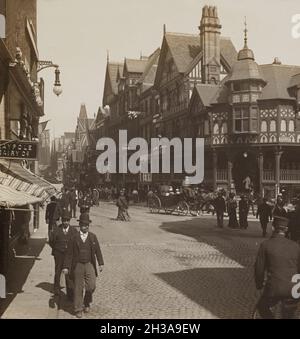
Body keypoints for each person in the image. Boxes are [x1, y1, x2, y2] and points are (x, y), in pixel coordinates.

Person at [254, 216, 300, 319]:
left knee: (262, 307)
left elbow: (259, 269)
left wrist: (259, 285)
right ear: (286, 229)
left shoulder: (266, 245)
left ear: (273, 228)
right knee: (289, 314)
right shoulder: (296, 246)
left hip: (275, 287)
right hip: (294, 289)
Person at [63, 213, 104, 318]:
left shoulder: (93, 237)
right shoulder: (74, 238)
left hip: (89, 264)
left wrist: (101, 263)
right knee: (78, 287)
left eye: (86, 225)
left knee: (91, 285)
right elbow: (69, 254)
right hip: (78, 265)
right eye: (83, 225)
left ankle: (86, 301)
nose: (85, 227)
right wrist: (66, 266)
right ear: (80, 225)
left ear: (88, 226)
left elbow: (98, 251)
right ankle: (78, 309)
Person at [49, 209, 77, 299]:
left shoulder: (74, 231)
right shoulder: (57, 230)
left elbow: (76, 242)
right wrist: (57, 249)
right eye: (64, 220)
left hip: (69, 255)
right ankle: (56, 289)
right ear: (61, 220)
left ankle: (70, 292)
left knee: (69, 273)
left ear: (69, 221)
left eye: (67, 220)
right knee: (58, 271)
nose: (65, 222)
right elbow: (51, 241)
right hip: (59, 254)